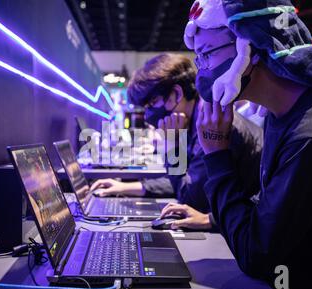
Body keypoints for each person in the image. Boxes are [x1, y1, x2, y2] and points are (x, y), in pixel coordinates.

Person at [167, 0, 312, 289]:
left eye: (205, 54)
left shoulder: (309, 132)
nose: (202, 69)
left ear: (249, 48)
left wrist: (188, 147)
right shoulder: (281, 112)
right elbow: (272, 205)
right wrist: (211, 219)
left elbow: (189, 194)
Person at [90, 53, 263, 230]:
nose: (149, 114)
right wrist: (126, 187)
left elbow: (191, 197)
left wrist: (171, 145)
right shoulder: (196, 118)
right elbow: (182, 180)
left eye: (153, 102)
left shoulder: (212, 125)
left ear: (177, 93)